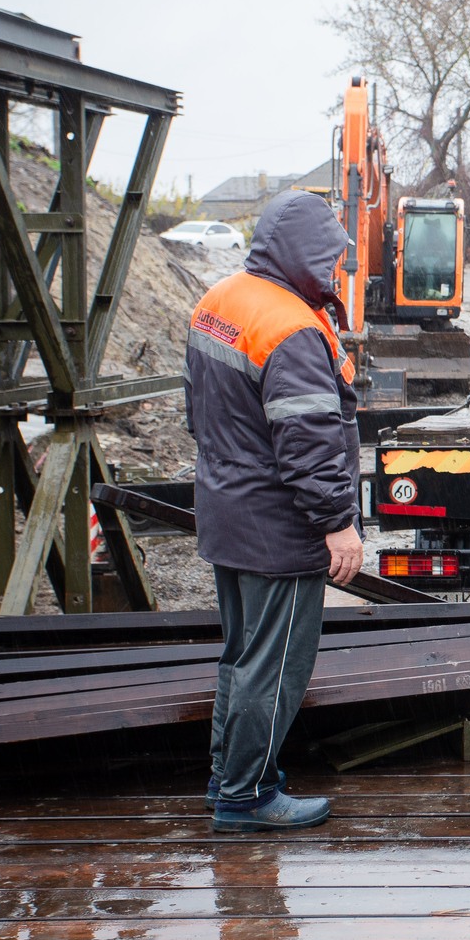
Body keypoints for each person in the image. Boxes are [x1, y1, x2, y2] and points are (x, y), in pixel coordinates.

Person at [184, 190, 365, 831]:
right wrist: (337, 524)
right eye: (330, 256)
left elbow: (197, 413)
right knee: (276, 665)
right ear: (301, 254)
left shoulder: (222, 300)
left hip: (228, 512)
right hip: (278, 529)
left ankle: (225, 778)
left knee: (240, 655)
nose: (336, 269)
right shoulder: (289, 329)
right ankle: (248, 795)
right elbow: (309, 444)